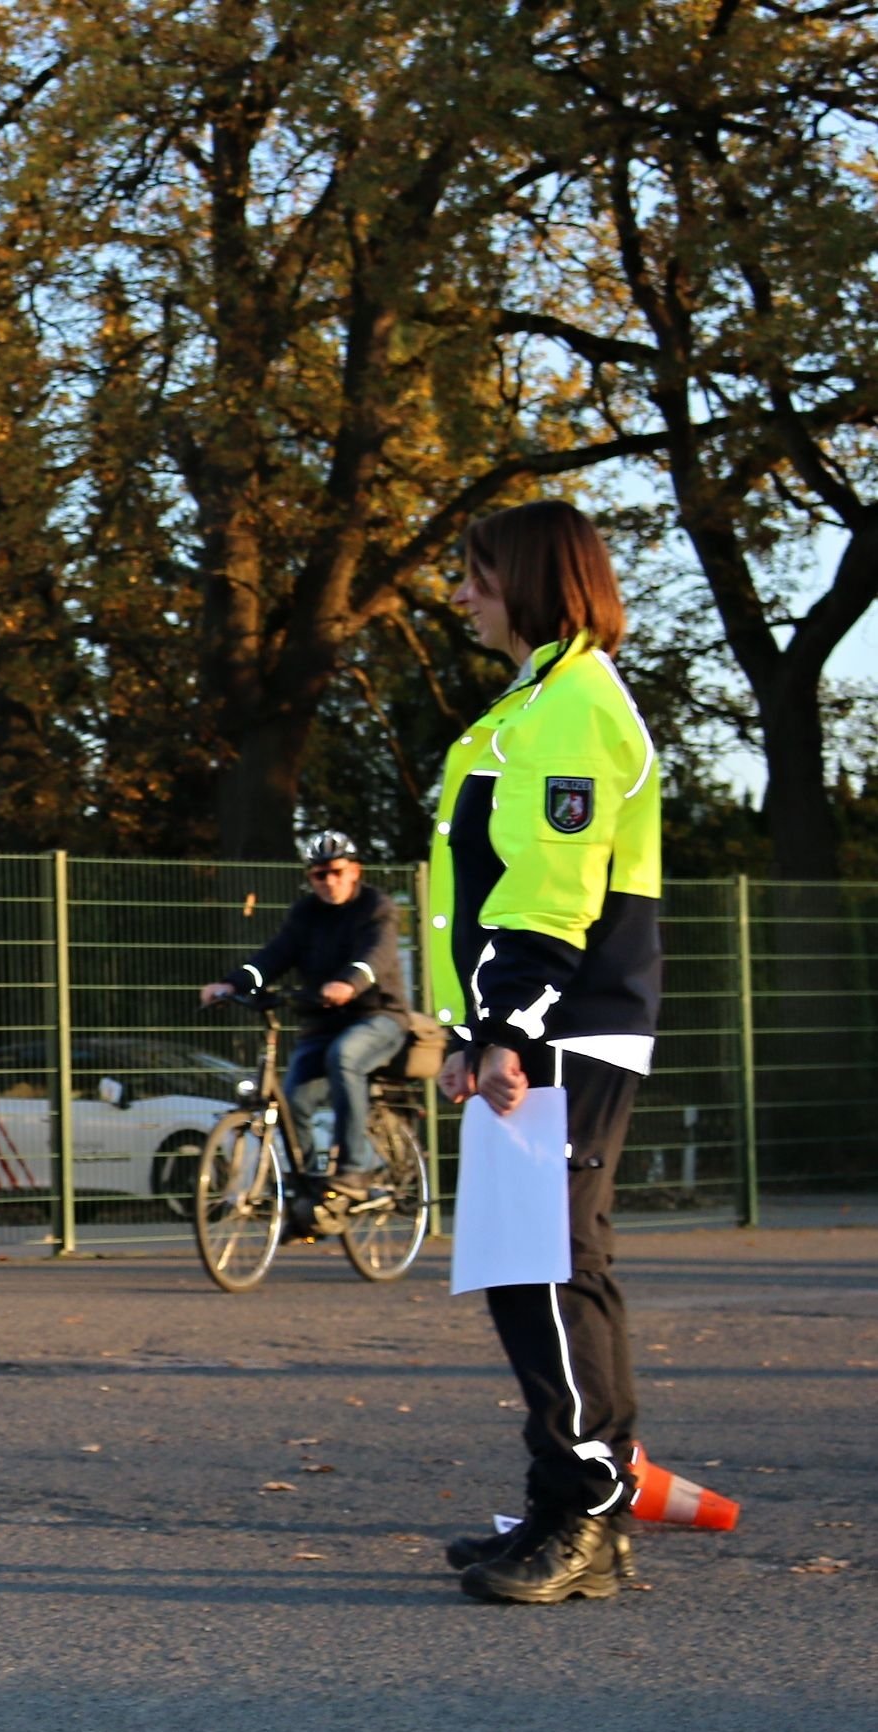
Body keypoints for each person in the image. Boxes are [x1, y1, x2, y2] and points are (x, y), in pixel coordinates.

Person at [427, 500, 662, 1605]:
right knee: (530, 1268)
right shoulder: (537, 703)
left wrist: (505, 1029)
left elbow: (548, 890)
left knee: (551, 1268)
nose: (461, 594)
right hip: (535, 1026)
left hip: (558, 1026)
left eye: (474, 574)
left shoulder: (567, 709)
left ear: (524, 578)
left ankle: (586, 1518)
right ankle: (561, 1496)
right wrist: (470, 1032)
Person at [202, 833, 411, 1209]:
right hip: (323, 1023)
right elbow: (274, 956)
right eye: (318, 875)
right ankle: (314, 1188)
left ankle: (355, 1168)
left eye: (335, 872)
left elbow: (375, 957)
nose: (328, 882)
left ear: (354, 871)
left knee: (345, 1057)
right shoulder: (304, 914)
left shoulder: (375, 907)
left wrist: (351, 983)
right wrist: (232, 983)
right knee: (293, 1098)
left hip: (377, 1017)